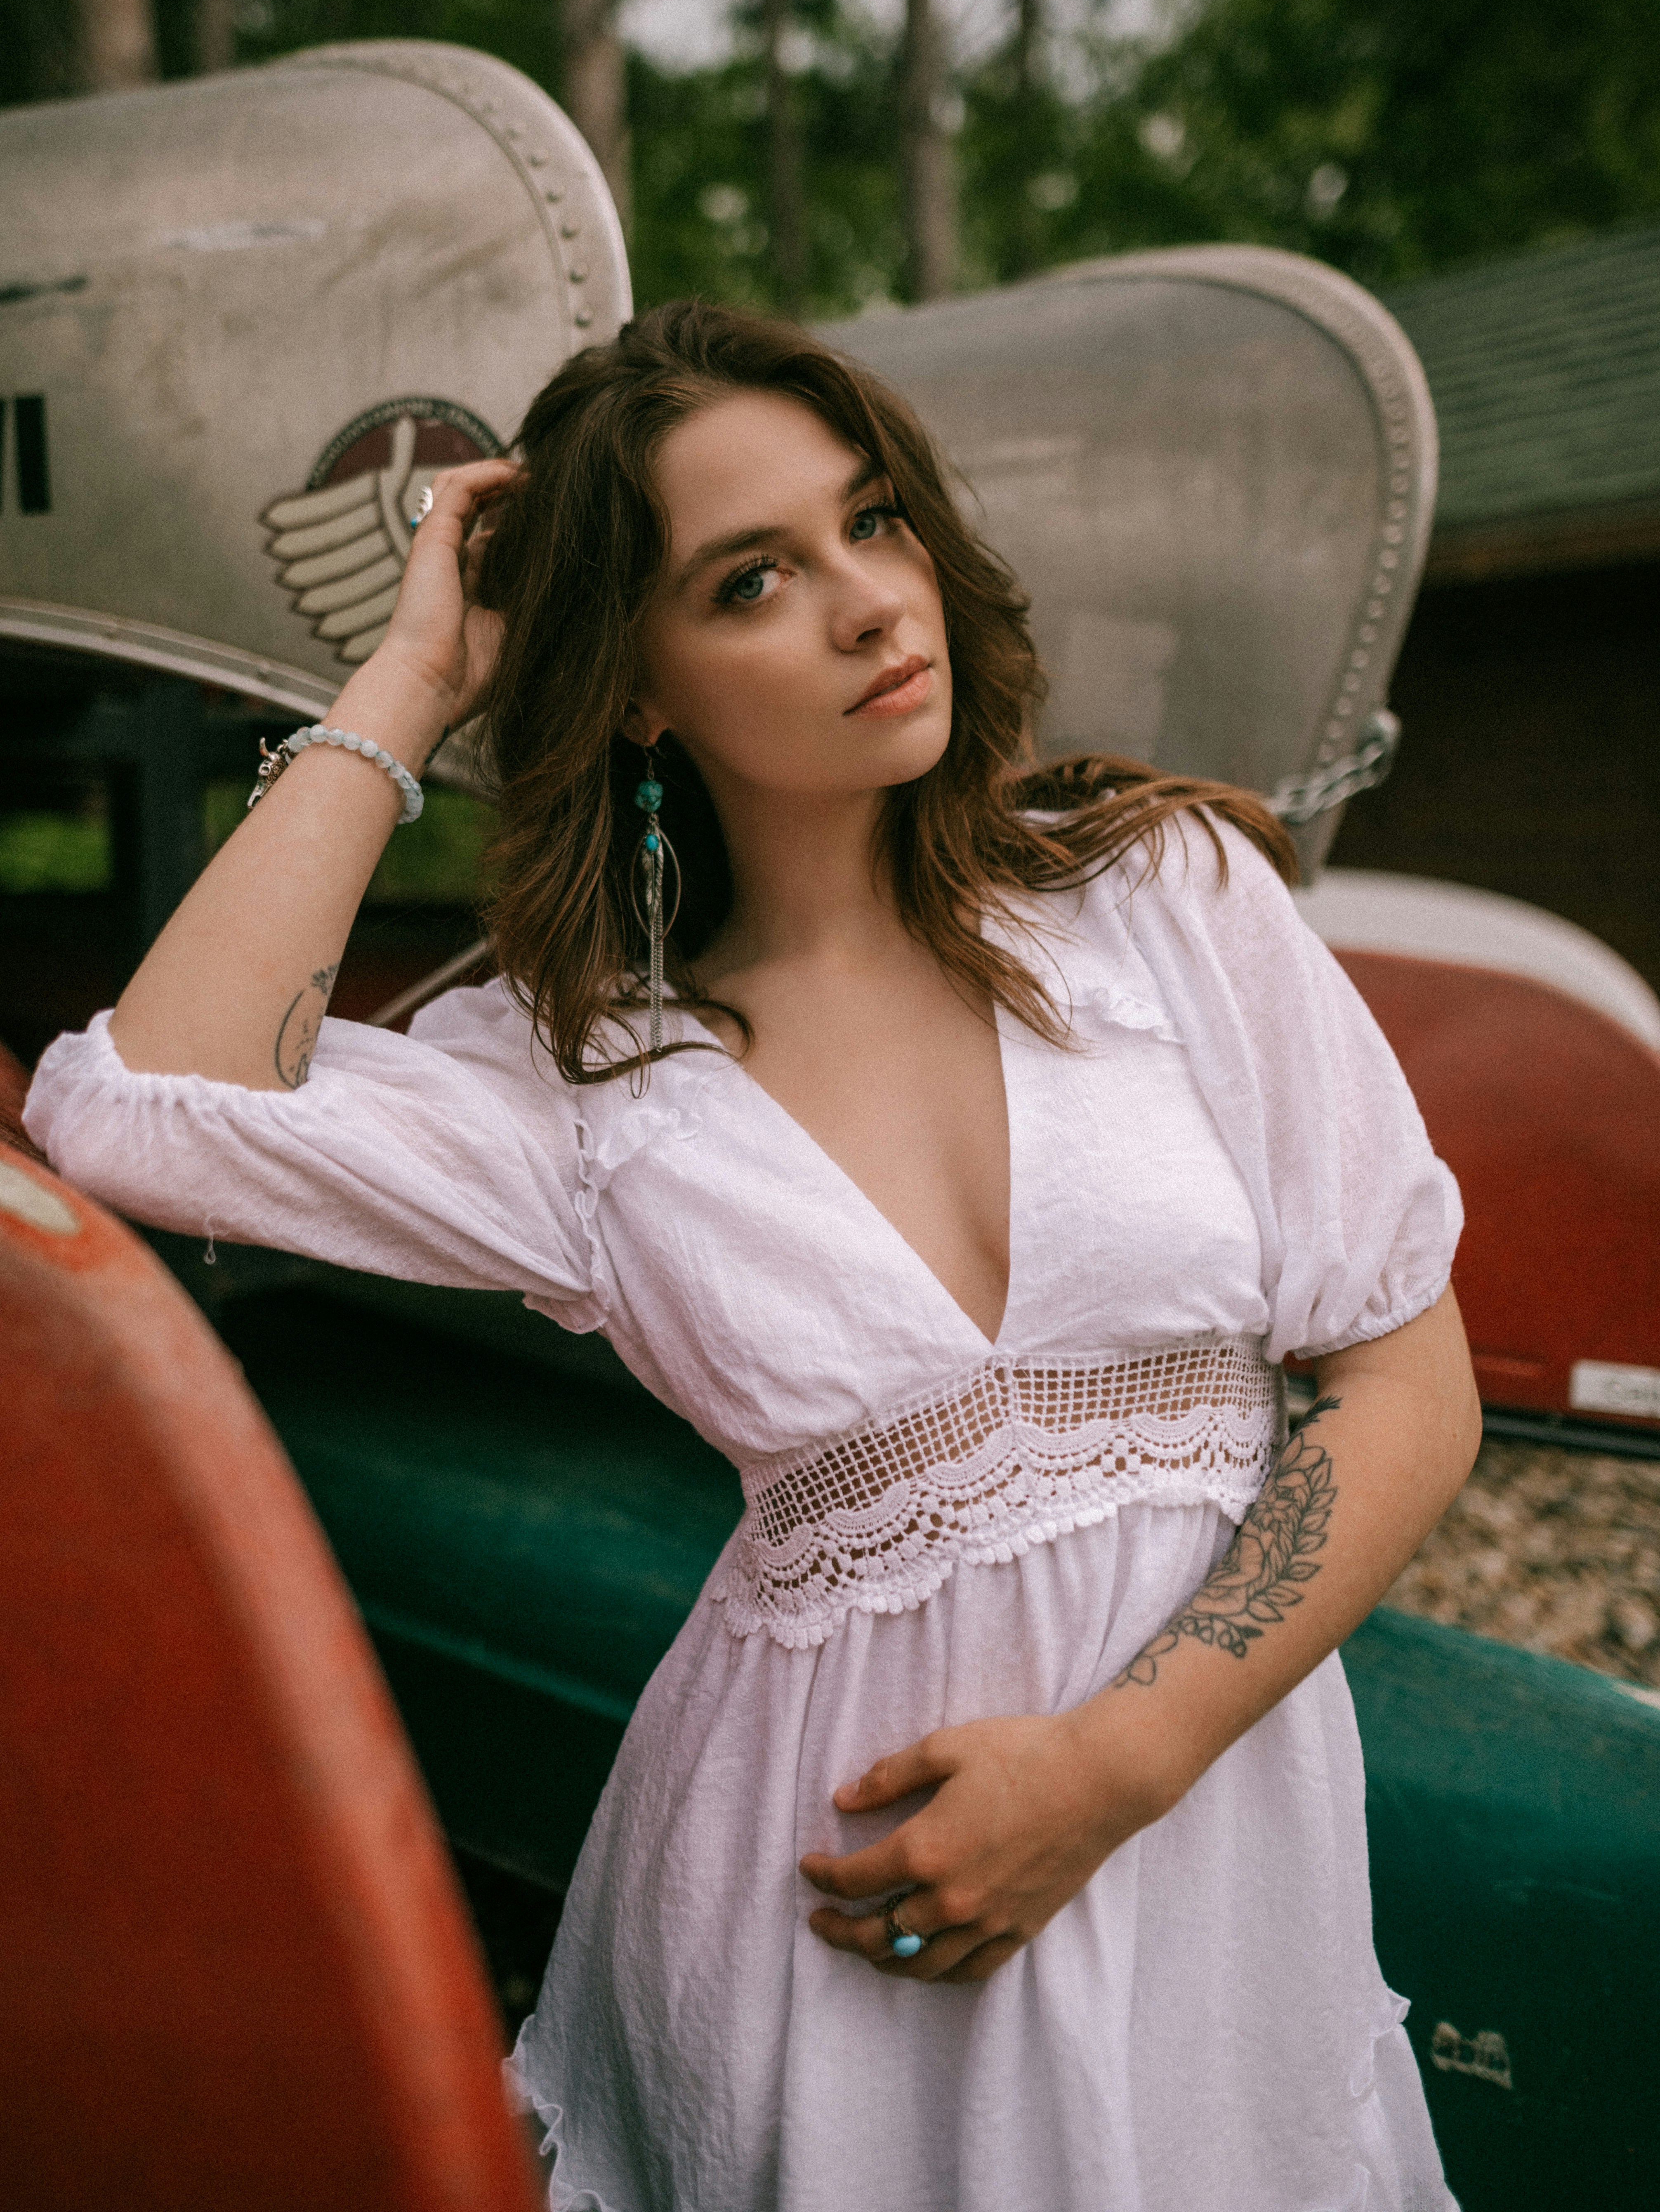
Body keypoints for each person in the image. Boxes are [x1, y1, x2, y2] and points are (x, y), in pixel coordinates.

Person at [27, 301, 1478, 2212]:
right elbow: (136, 1108)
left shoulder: (1155, 897)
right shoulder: (587, 1079)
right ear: (640, 687)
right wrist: (409, 676)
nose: (873, 605)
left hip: (1199, 1835)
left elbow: (1404, 1384)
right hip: (833, 1908)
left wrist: (1116, 1764)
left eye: (873, 521)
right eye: (750, 582)